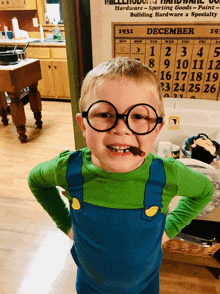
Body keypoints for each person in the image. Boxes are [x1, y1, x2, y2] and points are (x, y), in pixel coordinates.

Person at [28, 57, 213, 294]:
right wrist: (65, 224)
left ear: (156, 128)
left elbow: (204, 191)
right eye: (105, 114)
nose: (121, 128)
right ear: (83, 125)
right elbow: (36, 180)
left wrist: (169, 230)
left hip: (144, 284)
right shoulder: (69, 169)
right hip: (89, 283)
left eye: (138, 116)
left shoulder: (167, 174)